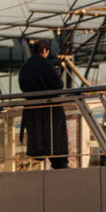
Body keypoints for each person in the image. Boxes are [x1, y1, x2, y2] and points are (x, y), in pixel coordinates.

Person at [18, 40, 69, 168]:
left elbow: (21, 85)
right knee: (55, 137)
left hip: (32, 108)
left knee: (41, 137)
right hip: (50, 108)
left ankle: (45, 156)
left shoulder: (25, 66)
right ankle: (59, 162)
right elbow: (58, 84)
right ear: (46, 51)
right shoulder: (45, 64)